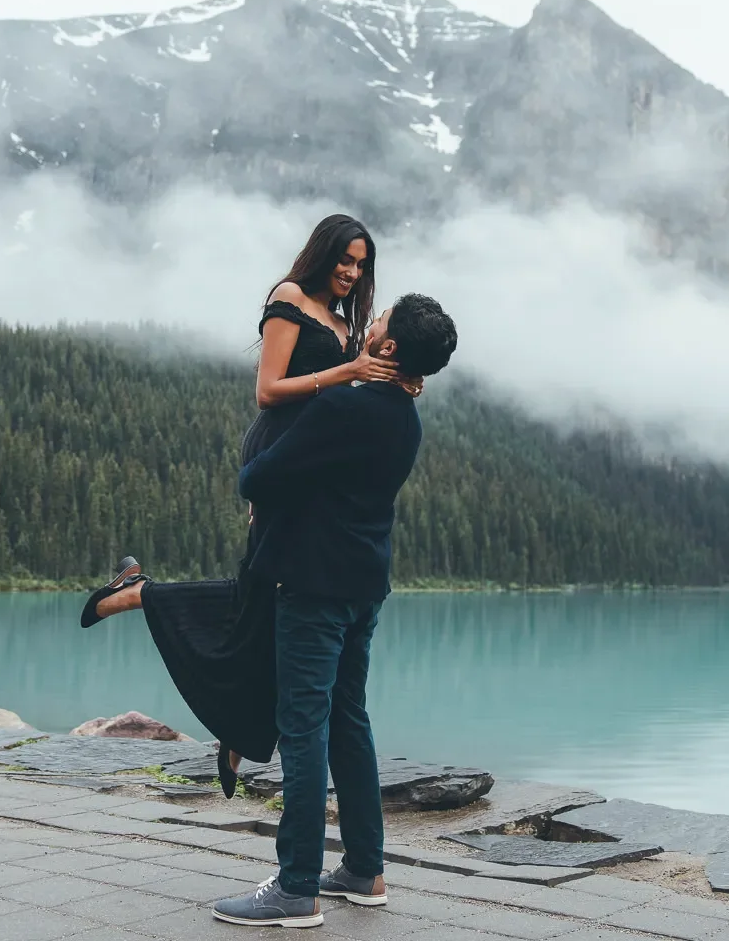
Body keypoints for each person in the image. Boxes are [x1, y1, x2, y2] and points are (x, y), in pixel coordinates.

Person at [79, 215, 415, 796]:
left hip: (309, 462)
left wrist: (395, 379)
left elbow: (349, 389)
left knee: (262, 598)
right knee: (258, 594)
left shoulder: (344, 321)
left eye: (362, 265)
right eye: (345, 258)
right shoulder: (290, 298)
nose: (352, 272)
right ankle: (140, 597)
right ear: (324, 253)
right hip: (278, 451)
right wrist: (350, 371)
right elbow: (268, 390)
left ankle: (232, 729)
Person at [209, 293, 458, 927]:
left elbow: (256, 479)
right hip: (364, 585)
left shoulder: (344, 406)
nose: (367, 326)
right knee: (349, 718)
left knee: (304, 727)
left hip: (313, 586)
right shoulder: (406, 414)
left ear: (391, 347)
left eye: (378, 322)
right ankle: (364, 869)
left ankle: (295, 888)